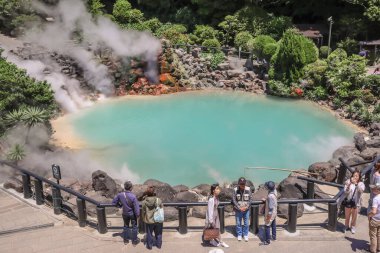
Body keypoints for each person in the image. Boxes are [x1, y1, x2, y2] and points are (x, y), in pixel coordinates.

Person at [205, 183, 229, 248]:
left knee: (216, 228)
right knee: (214, 228)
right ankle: (220, 241)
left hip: (216, 214)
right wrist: (211, 220)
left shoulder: (216, 197)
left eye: (218, 188)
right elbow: (210, 210)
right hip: (212, 215)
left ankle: (213, 240)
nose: (219, 190)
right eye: (217, 189)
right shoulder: (211, 199)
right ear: (213, 191)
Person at [141, 185, 163, 250]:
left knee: (149, 234)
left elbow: (143, 211)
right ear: (154, 193)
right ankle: (158, 245)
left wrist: (143, 218)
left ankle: (149, 246)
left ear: (147, 193)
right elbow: (161, 207)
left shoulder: (144, 202)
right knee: (158, 233)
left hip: (149, 220)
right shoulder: (158, 200)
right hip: (158, 220)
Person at [343, 170, 365, 234]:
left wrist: (356, 184)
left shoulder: (361, 184)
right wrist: (349, 184)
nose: (355, 177)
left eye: (357, 176)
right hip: (348, 201)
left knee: (354, 216)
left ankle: (353, 227)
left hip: (356, 203)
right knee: (347, 215)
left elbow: (361, 190)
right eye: (354, 175)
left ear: (359, 177)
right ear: (352, 176)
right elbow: (345, 191)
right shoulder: (348, 181)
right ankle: (346, 226)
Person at [232, 177, 252, 241]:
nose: (242, 185)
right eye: (241, 184)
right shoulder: (235, 190)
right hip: (238, 210)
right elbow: (233, 199)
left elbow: (250, 199)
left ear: (245, 184)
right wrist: (239, 207)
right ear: (238, 184)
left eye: (243, 184)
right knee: (238, 223)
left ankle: (245, 234)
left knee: (246, 223)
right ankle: (239, 234)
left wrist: (246, 207)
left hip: (246, 210)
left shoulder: (248, 189)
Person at [262, 181, 278, 245]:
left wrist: (268, 217)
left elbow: (270, 208)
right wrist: (266, 200)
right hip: (275, 212)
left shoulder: (270, 196)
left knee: (267, 225)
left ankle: (267, 241)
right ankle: (274, 237)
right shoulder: (275, 191)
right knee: (273, 224)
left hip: (271, 213)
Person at [368, 183, 380, 253]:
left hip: (375, 219)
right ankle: (379, 249)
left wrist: (369, 215)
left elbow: (374, 212)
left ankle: (373, 250)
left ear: (378, 190)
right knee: (379, 234)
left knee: (373, 236)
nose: (372, 189)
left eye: (374, 188)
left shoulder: (375, 199)